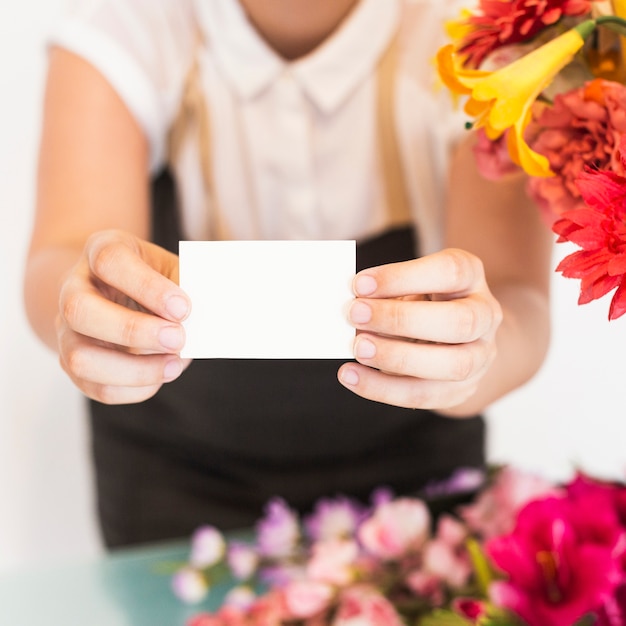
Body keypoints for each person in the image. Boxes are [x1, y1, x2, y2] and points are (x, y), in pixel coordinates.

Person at [23, 0, 553, 548]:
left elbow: (517, 298)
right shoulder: (125, 32)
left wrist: (476, 357)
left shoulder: (480, 46)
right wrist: (86, 306)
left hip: (416, 481)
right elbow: (62, 254)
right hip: (173, 483)